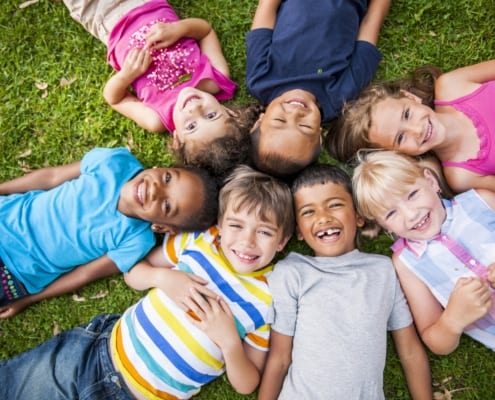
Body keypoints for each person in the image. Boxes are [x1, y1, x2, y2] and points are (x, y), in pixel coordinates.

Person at [0, 164, 294, 400]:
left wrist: (229, 342)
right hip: (98, 351)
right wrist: (163, 277)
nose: (247, 241)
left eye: (265, 233)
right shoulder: (199, 243)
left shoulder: (266, 300)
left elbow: (247, 384)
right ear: (220, 223)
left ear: (282, 241)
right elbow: (132, 273)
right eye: (236, 225)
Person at [257, 164, 432, 400]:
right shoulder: (292, 272)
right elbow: (279, 358)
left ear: (358, 216)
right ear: (298, 231)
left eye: (335, 205)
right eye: (308, 212)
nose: (323, 217)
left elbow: (409, 350)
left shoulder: (383, 271)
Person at [0, 146, 219, 319]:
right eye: (168, 178)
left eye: (167, 206)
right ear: (160, 168)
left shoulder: (136, 241)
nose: (155, 189)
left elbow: (83, 274)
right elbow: (52, 177)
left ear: (161, 227)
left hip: (16, 274)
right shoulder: (115, 162)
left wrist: (29, 300)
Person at [62, 0, 260, 177]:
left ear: (177, 140)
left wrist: (127, 75)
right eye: (211, 116)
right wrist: (179, 29)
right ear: (230, 112)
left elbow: (115, 98)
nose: (195, 109)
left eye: (191, 126)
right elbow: (206, 31)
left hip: (107, 19)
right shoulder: (215, 79)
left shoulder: (156, 118)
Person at [352, 150, 495, 355]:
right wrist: (453, 319)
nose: (411, 215)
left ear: (431, 181)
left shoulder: (481, 202)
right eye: (391, 213)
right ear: (385, 227)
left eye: (412, 195)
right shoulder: (406, 263)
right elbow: (436, 341)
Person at [245, 0, 390, 178]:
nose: (295, 113)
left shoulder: (260, 80)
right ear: (319, 137)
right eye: (305, 126)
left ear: (259, 122)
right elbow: (369, 31)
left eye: (279, 121)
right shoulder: (340, 97)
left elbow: (265, 16)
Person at [328, 59, 495, 193]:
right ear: (398, 155)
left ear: (410, 97)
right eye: (400, 137)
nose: (417, 130)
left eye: (406, 114)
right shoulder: (462, 176)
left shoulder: (452, 85)